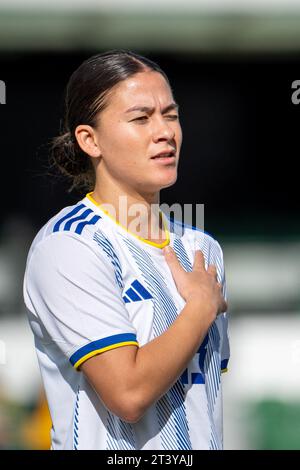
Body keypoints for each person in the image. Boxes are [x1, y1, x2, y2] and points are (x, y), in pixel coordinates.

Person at [23, 49, 229, 450]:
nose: (165, 131)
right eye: (140, 118)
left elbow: (205, 400)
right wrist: (199, 310)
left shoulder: (204, 249)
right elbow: (129, 395)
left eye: (170, 114)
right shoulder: (69, 246)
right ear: (90, 140)